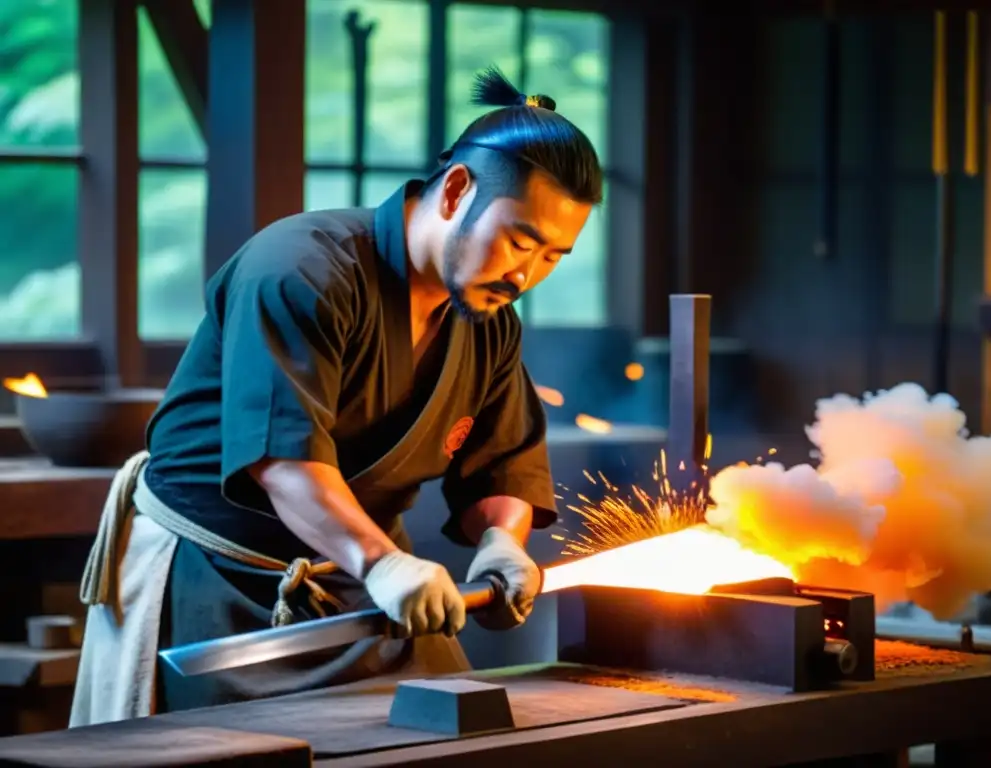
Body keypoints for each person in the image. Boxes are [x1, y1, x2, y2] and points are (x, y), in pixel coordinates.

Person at [69, 66, 603, 726]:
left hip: (368, 579)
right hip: (214, 574)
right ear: (456, 191)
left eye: (554, 256)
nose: (526, 274)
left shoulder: (489, 323)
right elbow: (283, 460)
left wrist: (502, 540)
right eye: (520, 241)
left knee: (454, 739)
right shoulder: (301, 267)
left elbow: (500, 463)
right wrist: (383, 563)